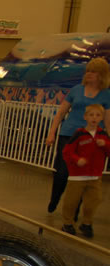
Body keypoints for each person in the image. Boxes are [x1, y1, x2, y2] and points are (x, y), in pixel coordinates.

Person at [45, 57, 110, 213]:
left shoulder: (106, 95)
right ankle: (55, 198)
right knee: (62, 172)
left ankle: (74, 210)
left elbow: (108, 121)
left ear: (101, 75)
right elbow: (61, 113)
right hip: (69, 135)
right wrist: (52, 133)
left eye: (93, 72)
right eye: (88, 71)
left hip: (90, 139)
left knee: (82, 177)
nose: (89, 74)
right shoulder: (76, 90)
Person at [59, 104, 110, 238]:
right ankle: (67, 223)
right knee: (71, 201)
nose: (94, 118)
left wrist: (105, 145)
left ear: (102, 118)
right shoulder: (79, 134)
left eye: (98, 115)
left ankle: (87, 223)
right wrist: (77, 160)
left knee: (93, 201)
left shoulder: (103, 135)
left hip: (95, 176)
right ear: (85, 117)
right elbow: (67, 151)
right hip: (77, 176)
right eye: (91, 115)